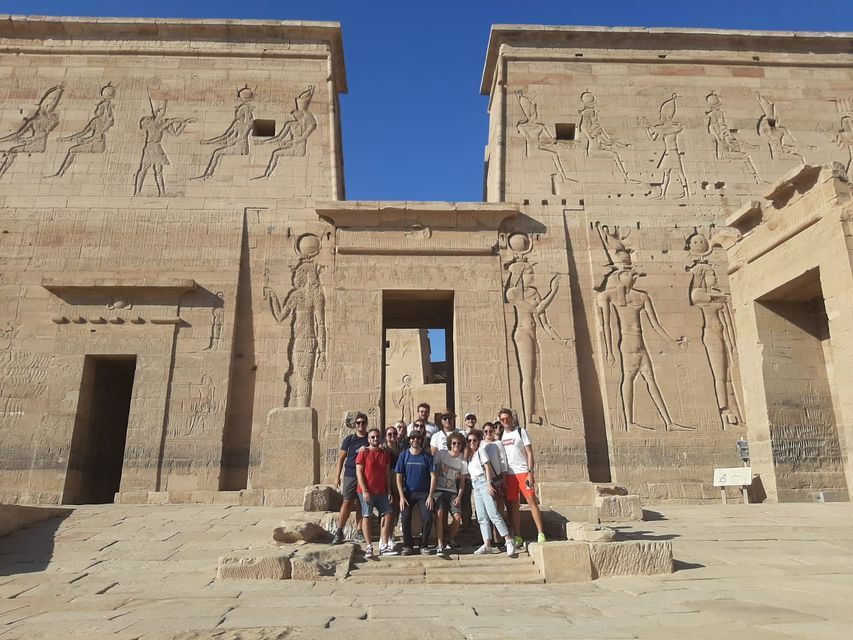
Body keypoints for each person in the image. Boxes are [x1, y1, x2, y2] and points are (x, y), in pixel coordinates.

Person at [499, 408, 546, 546]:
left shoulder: (521, 432)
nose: (505, 421)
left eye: (507, 418)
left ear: (512, 418)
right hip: (509, 474)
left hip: (523, 472)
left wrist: (530, 472)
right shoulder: (502, 435)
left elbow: (529, 453)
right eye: (502, 419)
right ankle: (518, 535)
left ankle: (540, 532)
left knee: (532, 501)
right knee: (513, 505)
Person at [467, 429, 516, 556]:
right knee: (482, 517)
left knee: (493, 513)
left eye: (474, 440)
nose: (472, 442)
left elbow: (487, 466)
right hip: (475, 485)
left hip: (483, 483)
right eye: (469, 440)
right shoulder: (470, 456)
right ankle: (487, 543)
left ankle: (508, 539)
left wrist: (489, 483)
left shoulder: (481, 451)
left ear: (479, 441)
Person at [355, 428, 397, 557]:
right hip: (366, 491)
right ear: (369, 439)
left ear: (381, 438)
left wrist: (389, 490)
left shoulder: (384, 453)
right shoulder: (364, 452)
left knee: (389, 514)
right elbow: (359, 473)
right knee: (366, 516)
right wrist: (365, 490)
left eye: (377, 437)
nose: (375, 439)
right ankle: (369, 546)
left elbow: (387, 474)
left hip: (381, 491)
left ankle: (383, 544)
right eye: (372, 437)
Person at [331, 413, 370, 545]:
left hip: (364, 476)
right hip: (350, 474)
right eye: (358, 423)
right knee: (347, 502)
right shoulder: (349, 439)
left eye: (363, 423)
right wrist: (337, 476)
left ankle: (359, 531)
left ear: (366, 423)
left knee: (360, 504)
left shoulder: (370, 438)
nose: (360, 425)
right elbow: (341, 458)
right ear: (355, 425)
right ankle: (339, 530)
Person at [395, 431, 434, 555]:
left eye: (418, 438)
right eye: (413, 438)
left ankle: (424, 545)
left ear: (421, 440)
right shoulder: (404, 455)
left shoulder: (427, 456)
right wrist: (401, 496)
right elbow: (399, 476)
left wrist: (430, 496)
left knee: (427, 517)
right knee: (405, 518)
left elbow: (433, 476)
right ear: (410, 440)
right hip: (408, 493)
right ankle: (408, 545)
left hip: (424, 493)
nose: (415, 440)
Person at [429, 432, 468, 555]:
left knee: (457, 517)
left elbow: (462, 482)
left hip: (452, 492)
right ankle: (440, 543)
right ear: (450, 444)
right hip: (439, 490)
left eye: (459, 443)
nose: (456, 445)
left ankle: (449, 539)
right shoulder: (442, 454)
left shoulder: (463, 461)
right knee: (439, 513)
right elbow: (433, 472)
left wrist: (459, 496)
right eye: (454, 443)